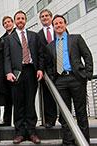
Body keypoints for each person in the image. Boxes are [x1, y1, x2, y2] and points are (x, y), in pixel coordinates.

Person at [45, 14, 93, 146]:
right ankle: (68, 142)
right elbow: (49, 65)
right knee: (64, 115)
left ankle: (83, 141)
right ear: (53, 27)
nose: (58, 25)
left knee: (81, 113)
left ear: (65, 24)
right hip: (60, 81)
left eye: (61, 23)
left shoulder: (76, 39)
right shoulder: (50, 46)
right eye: (56, 24)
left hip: (76, 79)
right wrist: (53, 79)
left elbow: (87, 56)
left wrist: (87, 74)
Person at [3, 10, 43, 144]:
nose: (20, 20)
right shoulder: (9, 38)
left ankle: (32, 132)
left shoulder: (34, 36)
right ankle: (20, 132)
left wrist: (40, 69)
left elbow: (39, 54)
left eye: (22, 18)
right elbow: (6, 57)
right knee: (18, 103)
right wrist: (8, 72)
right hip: (16, 73)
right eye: (18, 19)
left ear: (25, 21)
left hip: (31, 71)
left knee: (30, 102)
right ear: (15, 22)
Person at [38, 9, 57, 128]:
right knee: (47, 97)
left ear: (51, 17)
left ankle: (66, 120)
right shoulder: (38, 35)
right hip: (46, 71)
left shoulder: (59, 29)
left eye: (46, 16)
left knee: (63, 96)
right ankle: (49, 120)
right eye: (42, 16)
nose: (44, 18)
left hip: (60, 68)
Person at [0, 16, 15, 127]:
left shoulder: (19, 35)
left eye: (9, 22)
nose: (7, 24)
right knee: (7, 98)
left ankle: (20, 121)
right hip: (7, 72)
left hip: (19, 70)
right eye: (5, 23)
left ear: (13, 23)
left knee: (19, 99)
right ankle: (7, 120)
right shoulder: (2, 39)